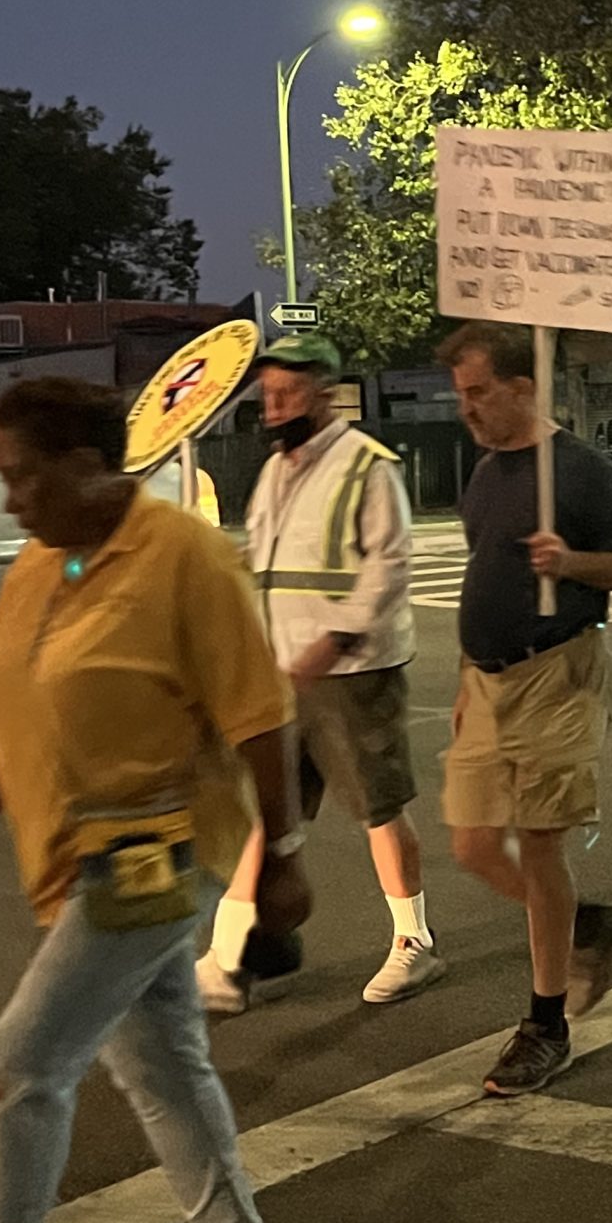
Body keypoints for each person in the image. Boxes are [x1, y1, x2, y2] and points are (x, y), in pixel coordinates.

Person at [0, 377, 309, 1223]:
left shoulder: (187, 557)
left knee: (17, 1074)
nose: (10, 499)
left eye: (24, 477)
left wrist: (285, 858)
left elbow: (261, 718)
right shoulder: (47, 558)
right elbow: (14, 706)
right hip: (70, 860)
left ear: (91, 468)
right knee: (165, 1070)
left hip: (154, 853)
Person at [438, 321, 612, 1096]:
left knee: (538, 842)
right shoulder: (488, 470)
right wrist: (468, 678)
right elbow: (484, 570)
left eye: (478, 392)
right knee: (470, 844)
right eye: (460, 394)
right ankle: (587, 924)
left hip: (560, 674)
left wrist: (570, 563)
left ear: (522, 387)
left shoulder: (581, 472)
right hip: (489, 684)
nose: (465, 408)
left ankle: (544, 1024)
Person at [202, 333, 432, 1013]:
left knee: (378, 809)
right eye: (267, 394)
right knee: (264, 813)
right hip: (280, 670)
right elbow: (264, 560)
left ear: (324, 394)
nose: (273, 407)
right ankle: (230, 954)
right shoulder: (275, 469)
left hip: (352, 671)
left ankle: (414, 942)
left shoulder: (368, 467)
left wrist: (334, 640)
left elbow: (389, 566)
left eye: (287, 394)